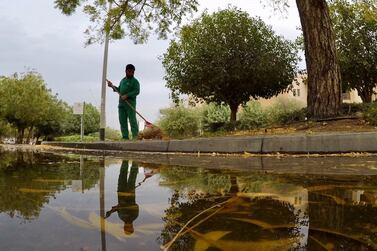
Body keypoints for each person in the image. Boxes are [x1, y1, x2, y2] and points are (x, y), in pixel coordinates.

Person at [105, 160, 140, 235]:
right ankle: (136, 160)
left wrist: (110, 212)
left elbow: (118, 208)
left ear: (124, 226)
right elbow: (136, 206)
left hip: (120, 191)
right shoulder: (134, 216)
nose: (127, 226)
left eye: (126, 227)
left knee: (122, 174)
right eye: (129, 227)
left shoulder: (121, 217)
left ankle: (125, 159)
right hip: (130, 192)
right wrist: (125, 205)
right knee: (132, 176)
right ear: (132, 226)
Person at [107, 64, 140, 140]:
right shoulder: (122, 80)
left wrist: (127, 95)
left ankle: (136, 136)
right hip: (121, 104)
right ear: (126, 71)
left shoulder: (135, 82)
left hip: (130, 104)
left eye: (133, 72)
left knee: (132, 120)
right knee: (122, 121)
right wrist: (112, 86)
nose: (131, 73)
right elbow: (119, 90)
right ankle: (125, 137)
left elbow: (137, 91)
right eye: (130, 71)